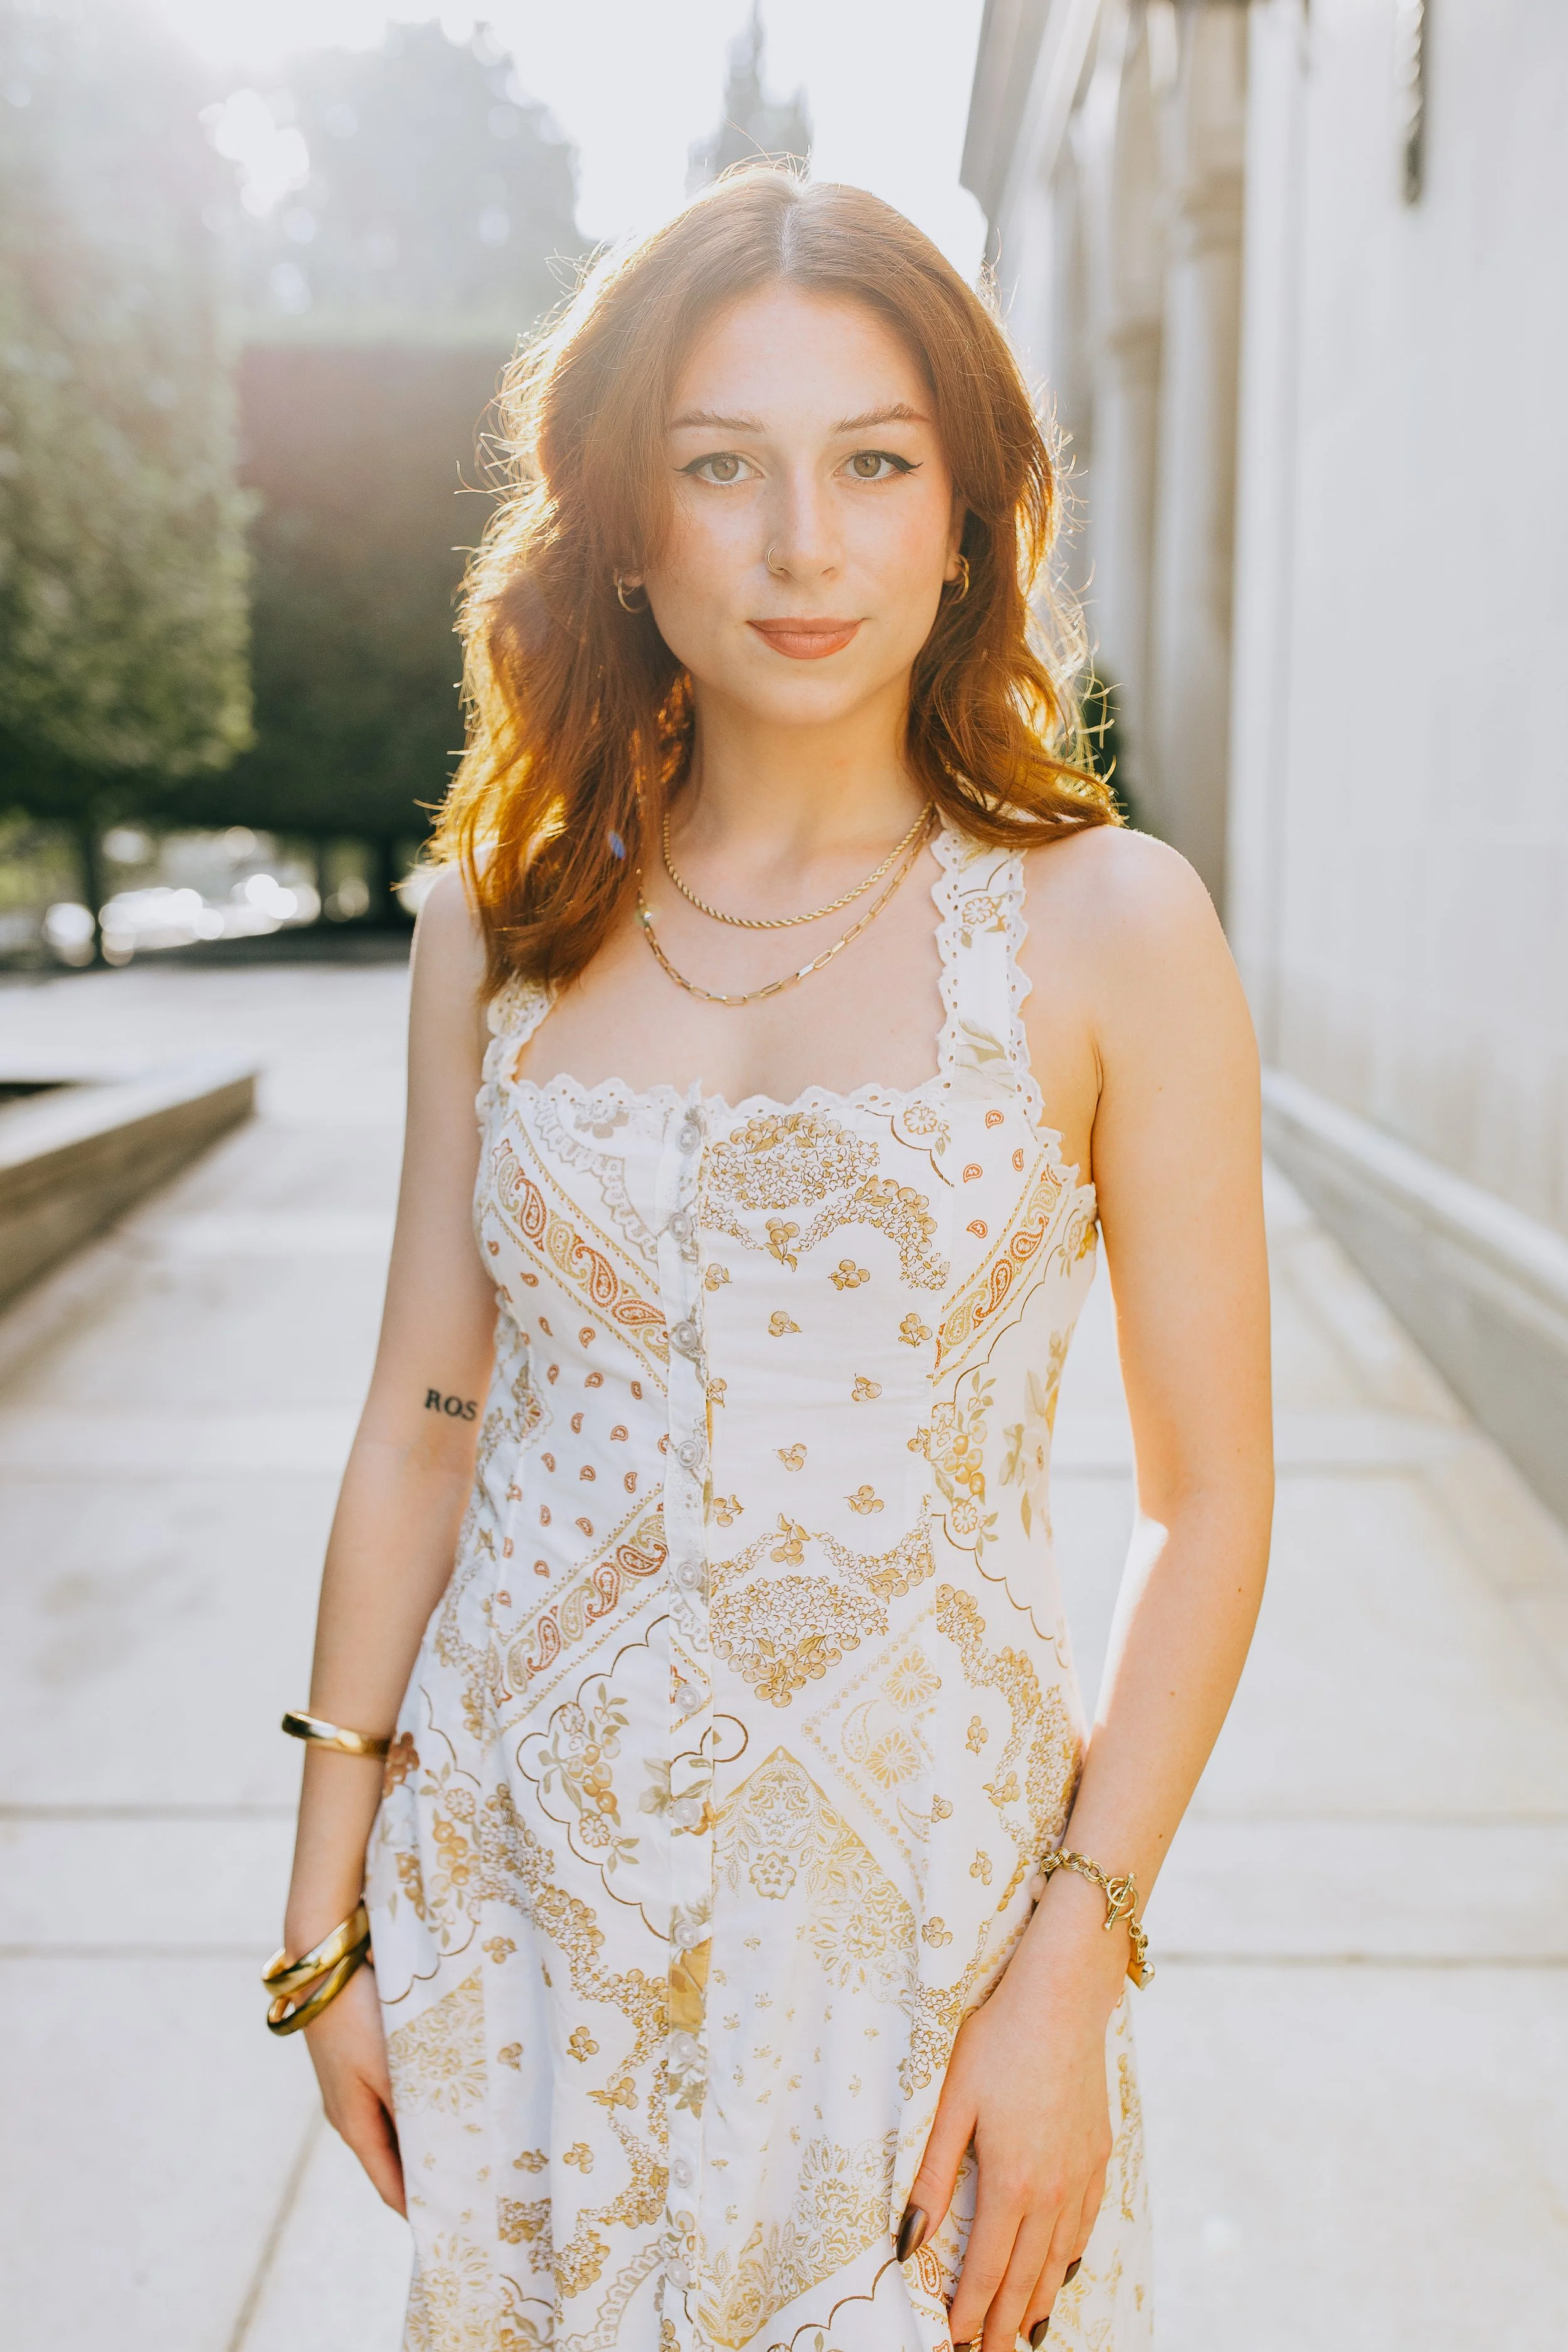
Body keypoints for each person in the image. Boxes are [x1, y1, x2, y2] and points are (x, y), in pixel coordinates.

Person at [268, 167, 1273, 2352]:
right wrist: (328, 1897)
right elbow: (423, 1422)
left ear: (966, 515)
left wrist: (1071, 1963)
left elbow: (1204, 1502)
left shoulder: (1114, 927)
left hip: (912, 1929)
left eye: (872, 463)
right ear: (623, 524)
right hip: (521, 1885)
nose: (803, 545)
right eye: (723, 467)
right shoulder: (498, 916)